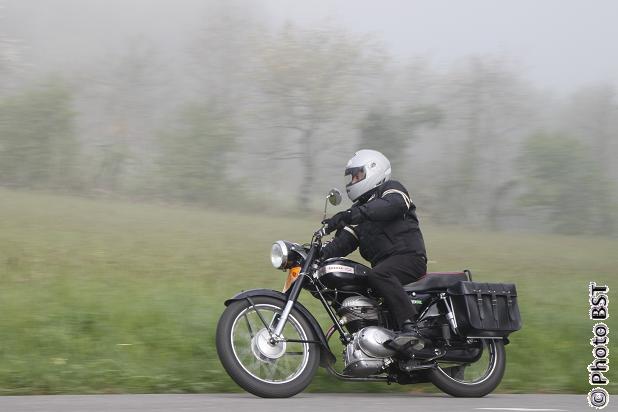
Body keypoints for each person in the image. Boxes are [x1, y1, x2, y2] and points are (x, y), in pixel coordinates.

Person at [321, 149, 427, 348]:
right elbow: (342, 244)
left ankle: (410, 329)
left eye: (357, 175)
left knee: (379, 274)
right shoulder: (358, 211)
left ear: (374, 170)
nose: (353, 181)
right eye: (352, 177)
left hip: (409, 258)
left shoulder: (391, 189)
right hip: (385, 266)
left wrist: (348, 216)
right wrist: (315, 253)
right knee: (359, 283)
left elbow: (393, 205)